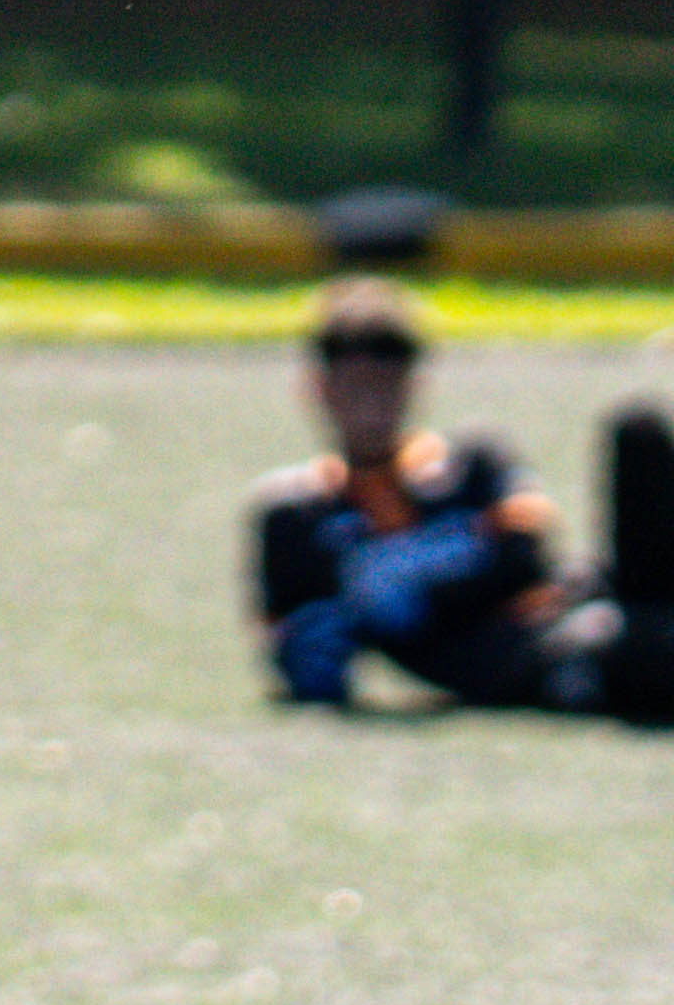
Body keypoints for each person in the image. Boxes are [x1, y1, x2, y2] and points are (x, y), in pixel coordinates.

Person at [244, 282, 645, 715]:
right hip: (554, 660)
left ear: (414, 385)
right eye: (354, 387)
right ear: (319, 388)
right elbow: (308, 668)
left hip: (596, 605)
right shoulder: (296, 519)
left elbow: (527, 552)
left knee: (640, 434)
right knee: (627, 650)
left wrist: (408, 581)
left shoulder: (472, 463)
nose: (370, 407)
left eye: (385, 386)